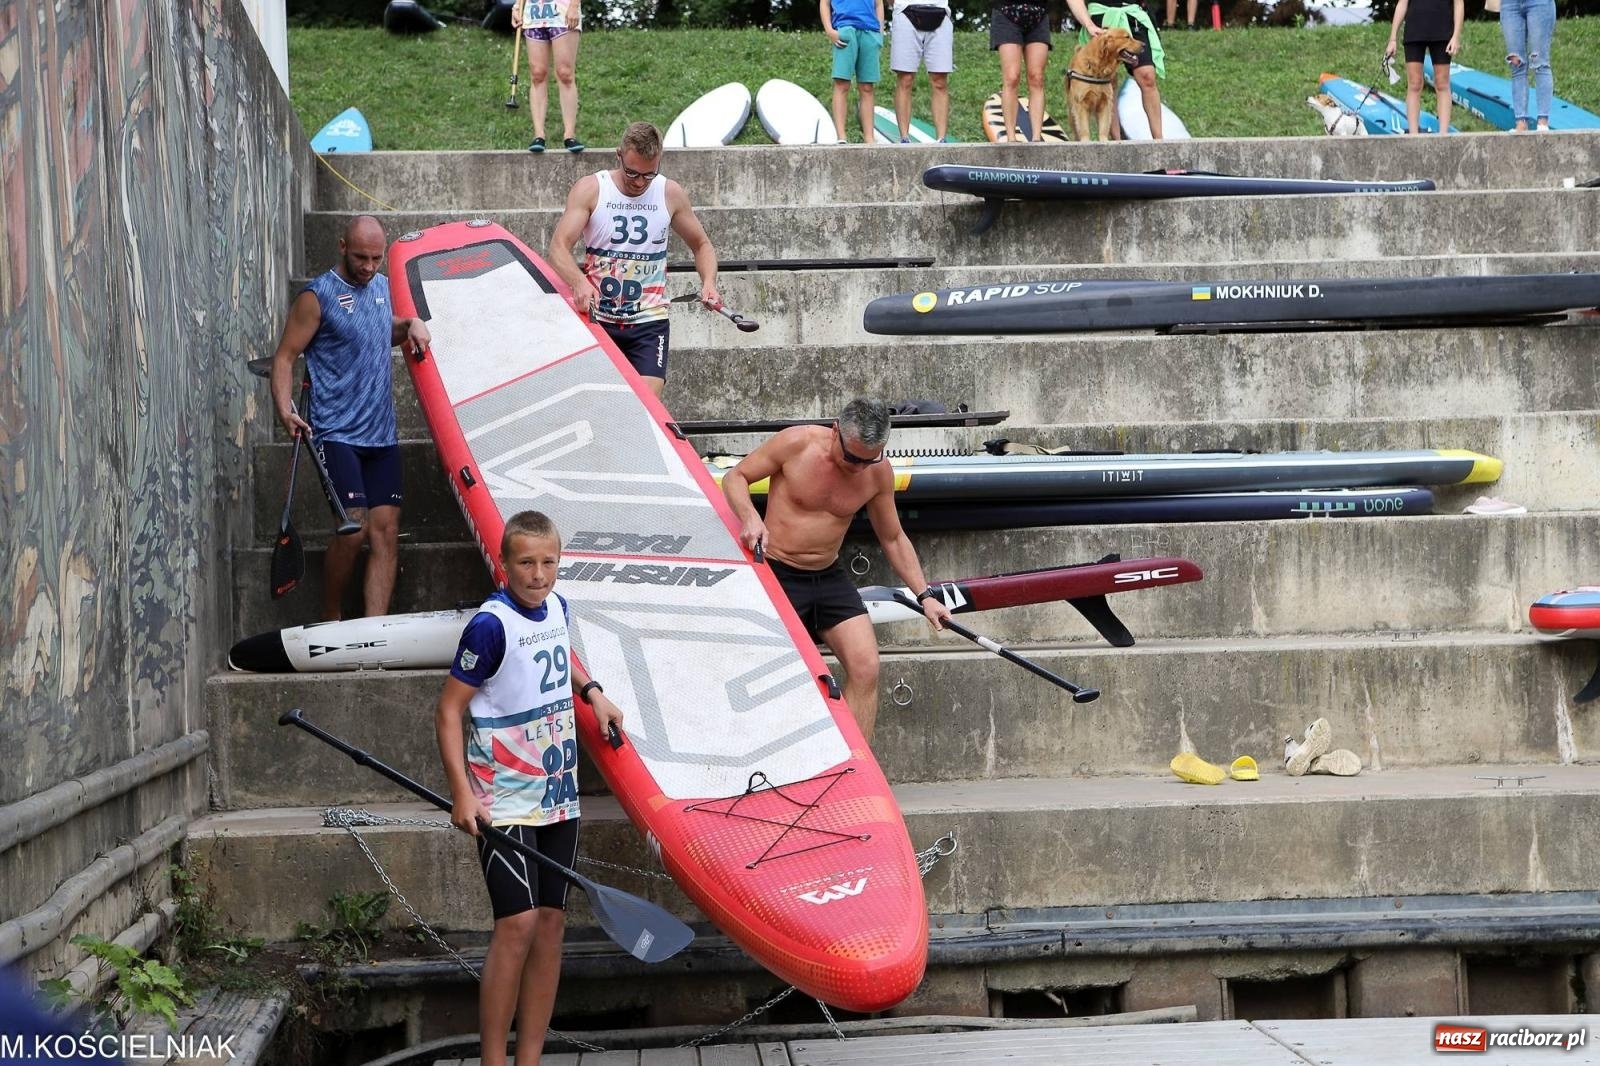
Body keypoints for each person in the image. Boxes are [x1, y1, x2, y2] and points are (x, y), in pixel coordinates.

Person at [436, 510, 625, 1066]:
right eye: (526, 563)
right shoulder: (489, 626)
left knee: (550, 924)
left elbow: (559, 655)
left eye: (548, 562)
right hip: (503, 795)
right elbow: (448, 712)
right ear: (504, 563)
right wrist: (461, 791)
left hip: (557, 790)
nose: (538, 574)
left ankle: (531, 1059)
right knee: (516, 925)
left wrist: (592, 691)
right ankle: (495, 1060)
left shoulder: (558, 607)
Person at [721, 399, 953, 742]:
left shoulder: (877, 471)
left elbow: (892, 537)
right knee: (770, 674)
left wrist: (926, 595)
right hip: (777, 571)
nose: (860, 467)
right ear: (835, 431)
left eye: (869, 459)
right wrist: (750, 516)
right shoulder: (795, 443)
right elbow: (735, 477)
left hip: (828, 576)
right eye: (853, 457)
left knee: (866, 667)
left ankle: (857, 773)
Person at [270, 215, 429, 622]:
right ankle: (332, 616)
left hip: (382, 434)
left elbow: (381, 330)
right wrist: (284, 407)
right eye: (361, 257)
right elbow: (286, 356)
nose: (369, 267)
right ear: (342, 246)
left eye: (377, 258)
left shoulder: (379, 287)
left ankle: (374, 629)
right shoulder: (316, 296)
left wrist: (411, 324)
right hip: (336, 432)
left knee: (386, 532)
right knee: (353, 529)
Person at [547, 122, 720, 400]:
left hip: (649, 322)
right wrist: (578, 282)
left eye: (649, 174)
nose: (639, 182)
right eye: (632, 173)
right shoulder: (592, 189)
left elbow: (702, 245)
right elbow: (558, 248)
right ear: (619, 155)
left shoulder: (669, 193)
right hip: (599, 318)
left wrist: (709, 283)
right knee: (599, 404)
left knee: (646, 408)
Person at [1068, 0, 1168, 140]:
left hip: (1132, 13)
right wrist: (1088, 24)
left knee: (1147, 76)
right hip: (1101, 14)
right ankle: (1116, 142)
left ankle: (1159, 141)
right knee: (1107, 79)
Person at [511, 0, 584, 153]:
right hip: (534, 13)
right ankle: (539, 135)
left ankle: (569, 134)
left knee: (565, 73)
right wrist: (517, 6)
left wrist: (574, 6)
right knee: (537, 74)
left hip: (563, 12)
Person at [1386, 0, 1462, 135]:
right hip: (1414, 32)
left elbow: (1458, 3)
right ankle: (1414, 135)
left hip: (1443, 32)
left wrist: (1456, 36)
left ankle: (1443, 135)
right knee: (1414, 83)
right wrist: (1393, 38)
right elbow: (1402, 3)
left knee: (1442, 83)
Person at [889, 0, 953, 143]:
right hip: (905, 11)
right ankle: (904, 138)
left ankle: (941, 139)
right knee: (905, 78)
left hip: (940, 10)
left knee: (940, 80)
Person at [823, 0, 886, 143]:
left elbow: (879, 4)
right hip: (845, 29)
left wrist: (879, 33)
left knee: (867, 87)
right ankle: (841, 137)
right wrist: (829, 30)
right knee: (842, 84)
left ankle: (869, 138)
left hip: (870, 31)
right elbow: (824, 3)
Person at [990, 1, 1051, 142]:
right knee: (1012, 77)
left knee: (1037, 77)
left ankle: (1036, 138)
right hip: (1006, 12)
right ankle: (1011, 138)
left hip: (1038, 13)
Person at [1499, 0, 1556, 132]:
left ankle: (1542, 122)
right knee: (1516, 64)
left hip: (1539, 3)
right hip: (1509, 4)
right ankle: (1521, 123)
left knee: (1540, 62)